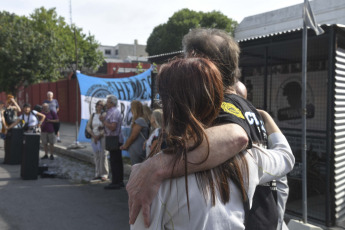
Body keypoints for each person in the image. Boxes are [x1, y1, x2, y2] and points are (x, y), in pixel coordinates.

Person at [127, 28, 290, 230]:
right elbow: (284, 158)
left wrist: (156, 165)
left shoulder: (159, 181)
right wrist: (264, 116)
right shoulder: (248, 161)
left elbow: (236, 137)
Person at [101, 95, 124, 190]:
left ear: (112, 103)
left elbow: (113, 127)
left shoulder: (114, 112)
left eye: (108, 102)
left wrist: (103, 122)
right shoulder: (110, 111)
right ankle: (118, 181)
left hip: (114, 138)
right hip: (112, 138)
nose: (106, 104)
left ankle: (116, 182)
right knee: (115, 160)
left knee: (115, 161)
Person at [120, 100, 149, 165]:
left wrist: (125, 145)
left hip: (138, 150)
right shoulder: (141, 119)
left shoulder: (140, 120)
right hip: (137, 149)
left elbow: (133, 136)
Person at [86, 100, 109, 182]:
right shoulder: (93, 115)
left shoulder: (105, 115)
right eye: (98, 105)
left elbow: (105, 127)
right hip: (94, 136)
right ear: (96, 106)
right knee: (96, 156)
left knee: (103, 155)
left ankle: (104, 174)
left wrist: (99, 136)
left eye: (102, 105)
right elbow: (88, 126)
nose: (100, 106)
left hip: (102, 137)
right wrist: (93, 135)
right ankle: (97, 173)